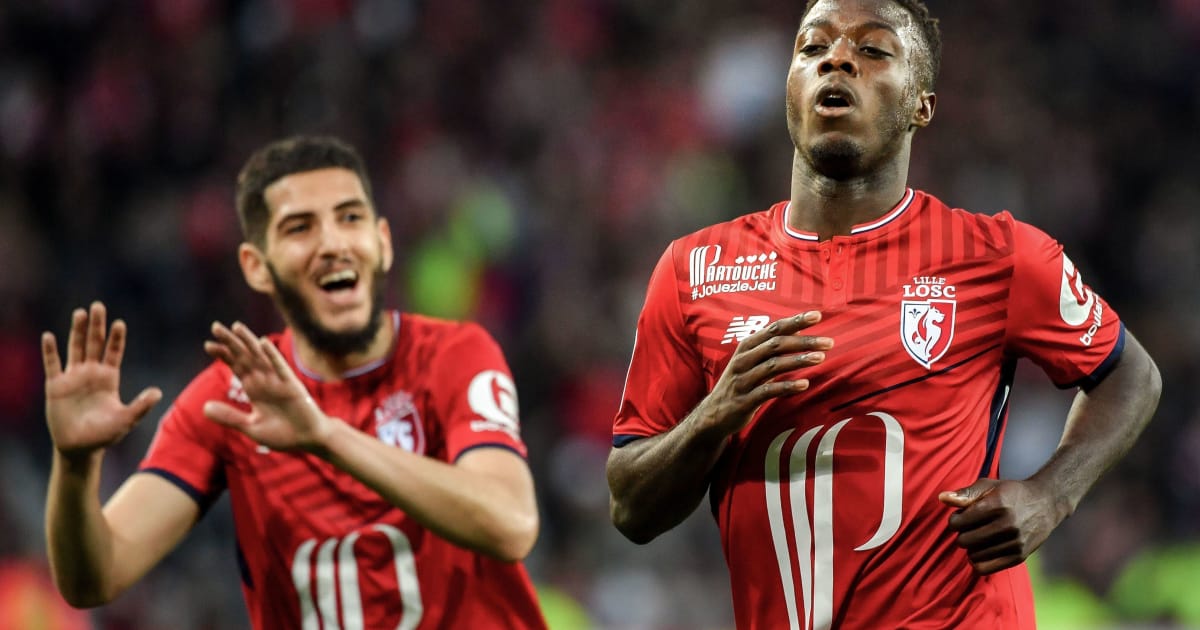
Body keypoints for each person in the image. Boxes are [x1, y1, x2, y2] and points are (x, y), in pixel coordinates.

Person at [606, 0, 1162, 628]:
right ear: (790, 88)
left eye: (872, 50)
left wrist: (1051, 495)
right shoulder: (694, 269)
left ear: (922, 104)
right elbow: (631, 508)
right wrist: (713, 417)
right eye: (813, 48)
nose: (837, 59)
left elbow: (1132, 376)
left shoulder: (998, 256)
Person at [42, 136, 547, 629]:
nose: (332, 244)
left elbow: (511, 523)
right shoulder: (231, 399)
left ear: (383, 242)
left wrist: (325, 436)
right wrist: (75, 465)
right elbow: (95, 578)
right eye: (299, 228)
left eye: (350, 218)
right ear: (257, 267)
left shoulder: (454, 356)